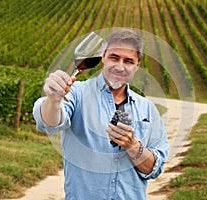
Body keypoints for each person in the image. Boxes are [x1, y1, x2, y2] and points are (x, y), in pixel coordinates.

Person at [33, 28, 169, 200]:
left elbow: (153, 169)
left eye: (128, 61)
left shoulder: (148, 109)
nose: (120, 66)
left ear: (137, 66)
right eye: (114, 57)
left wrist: (133, 146)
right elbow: (50, 124)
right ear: (103, 57)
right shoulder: (76, 93)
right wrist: (53, 100)